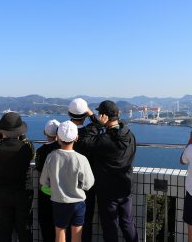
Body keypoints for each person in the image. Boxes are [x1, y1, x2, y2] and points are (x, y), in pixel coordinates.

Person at [81, 100, 138, 242]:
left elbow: (85, 141)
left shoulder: (104, 140)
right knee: (128, 223)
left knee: (110, 226)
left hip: (107, 190)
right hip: (126, 187)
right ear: (117, 114)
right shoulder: (130, 136)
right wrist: (93, 116)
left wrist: (96, 123)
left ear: (103, 116)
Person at [40, 121, 95, 242]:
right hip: (78, 202)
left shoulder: (51, 156)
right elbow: (89, 184)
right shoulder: (81, 159)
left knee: (60, 233)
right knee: (77, 235)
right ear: (76, 137)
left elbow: (44, 181)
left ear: (58, 137)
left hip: (58, 202)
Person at [0, 112, 35, 242]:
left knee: (4, 230)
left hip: (2, 194)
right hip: (23, 193)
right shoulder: (27, 148)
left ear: (2, 131)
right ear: (20, 132)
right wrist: (22, 137)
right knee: (24, 229)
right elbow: (32, 155)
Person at [68, 98, 96, 242]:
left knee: (65, 222)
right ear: (85, 115)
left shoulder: (64, 132)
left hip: (65, 184)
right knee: (86, 220)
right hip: (86, 184)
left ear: (68, 113)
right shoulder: (90, 132)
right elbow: (99, 125)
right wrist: (91, 114)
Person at [36, 119, 61, 242]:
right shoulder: (63, 148)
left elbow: (40, 171)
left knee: (46, 224)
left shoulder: (40, 151)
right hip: (61, 193)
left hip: (45, 192)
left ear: (44, 132)